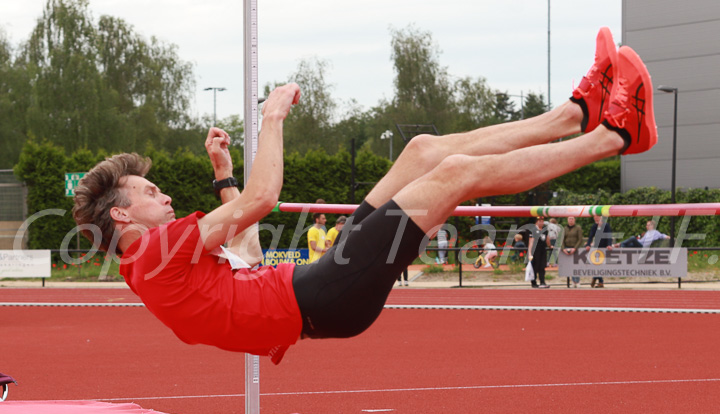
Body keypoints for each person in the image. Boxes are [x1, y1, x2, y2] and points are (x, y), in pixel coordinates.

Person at [72, 28, 656, 364]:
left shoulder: (162, 264)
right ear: (122, 214)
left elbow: (246, 254)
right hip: (324, 296)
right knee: (452, 175)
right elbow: (264, 198)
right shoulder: (150, 255)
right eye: (150, 191)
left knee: (425, 152)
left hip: (324, 284)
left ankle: (571, 114)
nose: (165, 196)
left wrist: (222, 170)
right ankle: (615, 135)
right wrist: (270, 118)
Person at [585, 213, 613, 288]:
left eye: (597, 217)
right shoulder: (594, 226)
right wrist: (588, 245)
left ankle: (597, 279)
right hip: (596, 247)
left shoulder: (606, 225)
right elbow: (591, 236)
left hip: (604, 247)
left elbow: (609, 236)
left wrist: (609, 245)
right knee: (595, 264)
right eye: (595, 217)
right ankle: (599, 280)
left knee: (600, 264)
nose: (596, 219)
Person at [527, 217, 552, 288]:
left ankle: (542, 282)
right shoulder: (533, 230)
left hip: (543, 250)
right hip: (535, 251)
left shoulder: (545, 230)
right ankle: (534, 282)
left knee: (542, 266)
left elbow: (547, 239)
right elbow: (531, 242)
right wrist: (529, 253)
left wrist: (550, 246)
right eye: (540, 221)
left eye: (542, 221)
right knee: (535, 267)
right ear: (536, 222)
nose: (541, 222)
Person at [562, 216, 584, 287]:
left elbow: (580, 239)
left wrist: (575, 248)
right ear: (567, 220)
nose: (571, 220)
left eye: (572, 219)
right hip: (567, 249)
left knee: (576, 266)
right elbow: (561, 240)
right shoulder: (564, 229)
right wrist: (563, 249)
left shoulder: (578, 228)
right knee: (570, 266)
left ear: (574, 220)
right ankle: (573, 281)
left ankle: (577, 281)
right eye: (569, 219)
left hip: (575, 249)